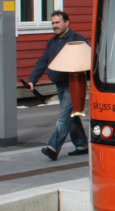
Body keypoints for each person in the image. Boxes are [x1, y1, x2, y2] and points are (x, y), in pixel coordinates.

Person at [27, 10, 88, 161]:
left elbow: (88, 60)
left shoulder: (77, 40)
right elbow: (43, 61)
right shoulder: (52, 42)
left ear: (67, 22)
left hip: (72, 85)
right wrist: (32, 80)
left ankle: (53, 148)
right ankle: (82, 145)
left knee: (64, 117)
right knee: (71, 116)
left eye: (57, 22)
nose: (55, 26)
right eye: (53, 23)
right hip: (60, 84)